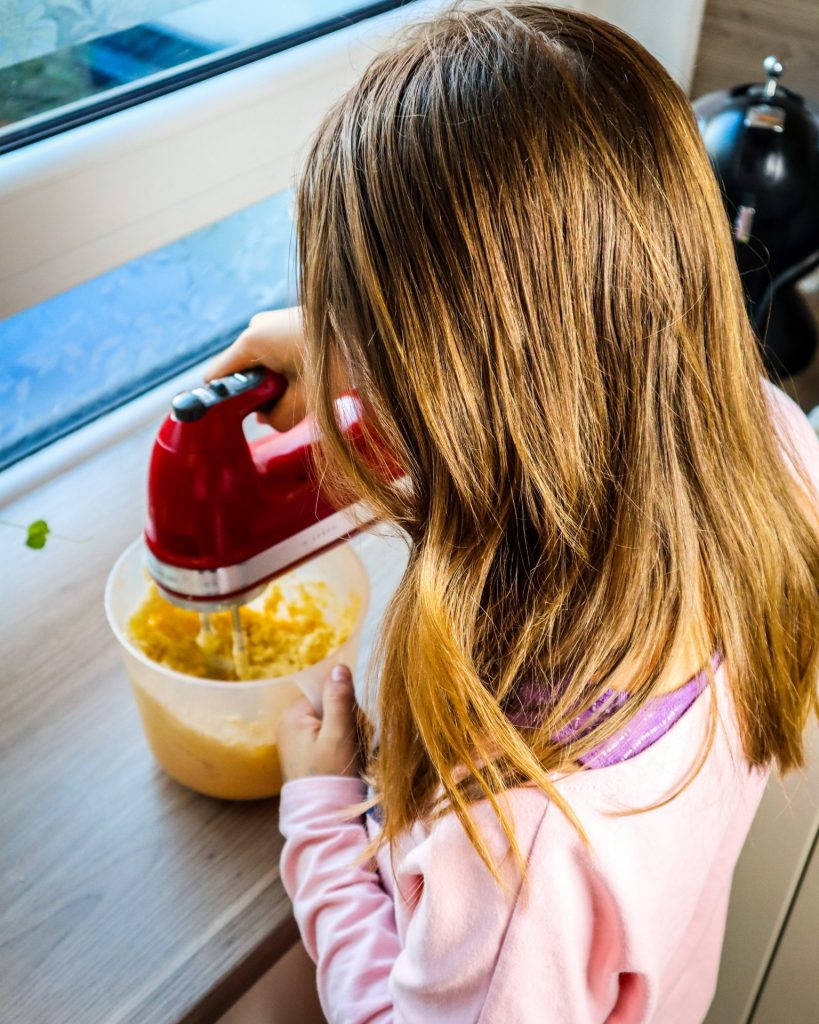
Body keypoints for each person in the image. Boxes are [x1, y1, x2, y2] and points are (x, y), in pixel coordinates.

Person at [207, 5, 819, 1021]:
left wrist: (320, 823)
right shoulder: (761, 453)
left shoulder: (517, 844)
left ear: (449, 386)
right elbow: (565, 383)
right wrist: (350, 336)